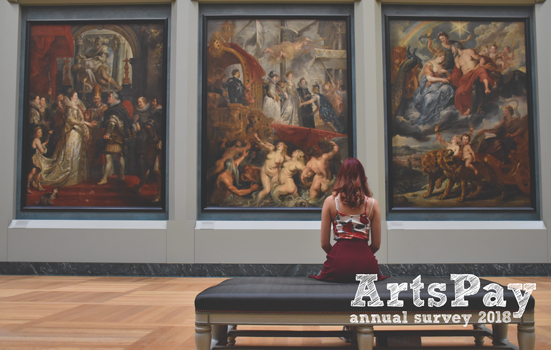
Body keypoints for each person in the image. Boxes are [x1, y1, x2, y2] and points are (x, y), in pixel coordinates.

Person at [309, 158, 385, 282]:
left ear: (341, 176)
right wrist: (361, 255)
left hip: (337, 263)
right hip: (366, 265)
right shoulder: (373, 204)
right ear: (362, 176)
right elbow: (376, 245)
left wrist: (337, 256)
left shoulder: (330, 202)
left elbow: (324, 244)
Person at [35, 91, 94, 187]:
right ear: (71, 97)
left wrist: (86, 127)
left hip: (78, 133)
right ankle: (69, 176)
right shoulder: (69, 108)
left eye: (77, 96)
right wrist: (85, 124)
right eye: (75, 96)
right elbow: (70, 120)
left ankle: (76, 177)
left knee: (77, 154)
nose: (76, 97)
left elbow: (81, 119)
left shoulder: (77, 108)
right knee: (70, 154)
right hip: (72, 132)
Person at [97, 92, 134, 185]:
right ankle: (121, 175)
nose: (108, 98)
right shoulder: (121, 109)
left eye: (109, 96)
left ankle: (105, 178)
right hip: (120, 137)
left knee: (108, 157)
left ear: (114, 99)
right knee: (119, 156)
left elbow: (112, 122)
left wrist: (107, 133)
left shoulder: (114, 110)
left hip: (113, 137)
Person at [450, 43, 495, 115]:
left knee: (482, 70)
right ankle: (469, 107)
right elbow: (457, 71)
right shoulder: (457, 59)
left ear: (457, 47)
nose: (452, 52)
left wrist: (481, 63)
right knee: (459, 92)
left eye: (452, 49)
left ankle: (487, 88)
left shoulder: (469, 51)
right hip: (466, 76)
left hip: (474, 71)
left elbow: (480, 58)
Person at [413, 50, 456, 125]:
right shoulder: (429, 64)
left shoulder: (442, 65)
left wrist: (445, 72)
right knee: (429, 98)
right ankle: (422, 120)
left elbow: (449, 78)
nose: (443, 59)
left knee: (447, 89)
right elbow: (429, 78)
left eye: (444, 58)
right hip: (430, 86)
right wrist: (442, 79)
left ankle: (437, 111)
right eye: (442, 57)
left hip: (440, 85)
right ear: (438, 56)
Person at [254, 133, 288, 202]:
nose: (279, 145)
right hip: (265, 172)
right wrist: (257, 137)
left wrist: (277, 177)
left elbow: (278, 168)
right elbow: (262, 145)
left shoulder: (282, 157)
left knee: (272, 192)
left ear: (283, 147)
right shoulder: (272, 149)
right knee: (266, 190)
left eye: (281, 144)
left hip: (274, 175)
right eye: (278, 144)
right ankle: (255, 204)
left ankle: (268, 206)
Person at [27, 127, 51, 193]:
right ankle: (27, 187)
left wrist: (48, 137)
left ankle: (39, 186)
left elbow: (43, 144)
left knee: (37, 173)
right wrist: (43, 149)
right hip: (33, 158)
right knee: (33, 171)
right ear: (35, 133)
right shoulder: (36, 140)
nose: (41, 133)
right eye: (39, 132)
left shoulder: (36, 140)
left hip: (35, 159)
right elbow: (42, 151)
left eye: (41, 132)